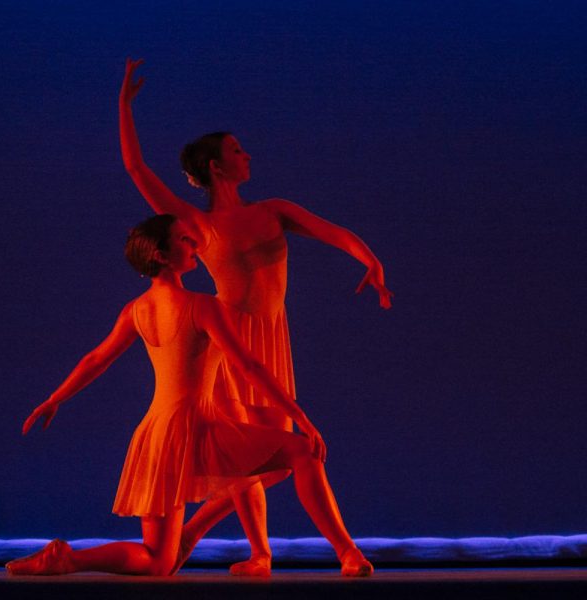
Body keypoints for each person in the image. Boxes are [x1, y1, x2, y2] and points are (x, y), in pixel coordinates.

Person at [119, 58, 392, 575]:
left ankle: (216, 538)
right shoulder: (199, 223)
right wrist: (124, 108)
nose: (247, 155)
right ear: (217, 167)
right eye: (237, 150)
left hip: (273, 338)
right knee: (272, 458)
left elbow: (334, 232)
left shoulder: (272, 210)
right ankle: (303, 553)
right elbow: (138, 171)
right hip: (226, 344)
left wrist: (369, 259)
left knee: (273, 464)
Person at [5, 215, 373, 577]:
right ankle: (349, 553)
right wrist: (301, 417)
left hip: (158, 436)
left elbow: (95, 359)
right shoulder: (202, 306)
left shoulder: (136, 310)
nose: (194, 245)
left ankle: (69, 559)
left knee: (157, 561)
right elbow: (249, 367)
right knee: (303, 450)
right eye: (184, 240)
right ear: (161, 255)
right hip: (199, 428)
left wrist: (55, 398)